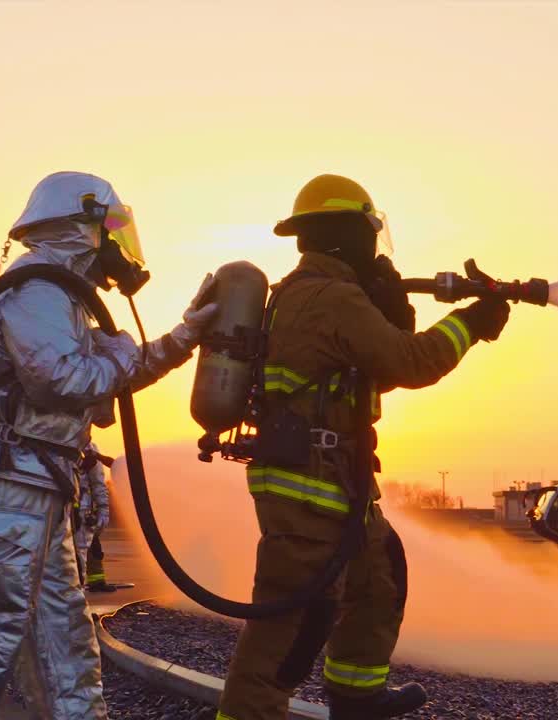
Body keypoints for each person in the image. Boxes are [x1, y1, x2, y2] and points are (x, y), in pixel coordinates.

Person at [0, 171, 218, 720]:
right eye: (113, 228)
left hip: (34, 487)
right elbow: (65, 380)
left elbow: (111, 372)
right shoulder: (38, 288)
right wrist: (118, 350)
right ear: (83, 225)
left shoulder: (61, 296)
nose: (121, 245)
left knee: (62, 644)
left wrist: (184, 336)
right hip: (5, 488)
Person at [215, 174, 510, 720]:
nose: (377, 246)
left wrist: (393, 307)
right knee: (288, 637)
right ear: (346, 233)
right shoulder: (331, 298)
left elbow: (375, 369)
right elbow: (412, 363)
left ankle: (355, 698)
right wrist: (472, 321)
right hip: (309, 486)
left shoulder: (312, 293)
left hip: (335, 480)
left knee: (379, 577)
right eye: (369, 232)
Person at [74, 442, 114, 592]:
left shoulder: (89, 449)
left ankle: (83, 588)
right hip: (58, 510)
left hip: (82, 513)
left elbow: (98, 483)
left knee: (85, 551)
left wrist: (103, 510)